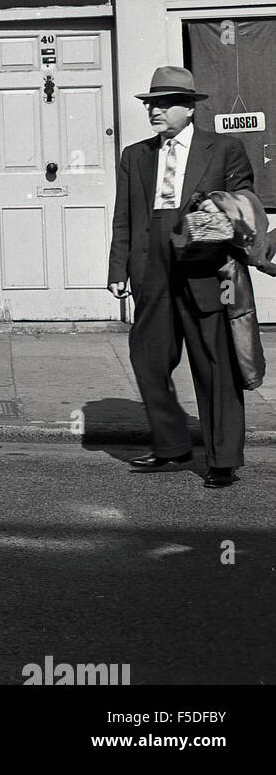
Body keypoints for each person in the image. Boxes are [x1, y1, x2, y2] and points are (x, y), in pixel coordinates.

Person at [107, 66, 251, 488]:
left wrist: (218, 214)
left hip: (207, 271)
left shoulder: (224, 149)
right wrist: (119, 268)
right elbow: (124, 216)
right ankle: (171, 447)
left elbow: (243, 204)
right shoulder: (135, 155)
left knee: (215, 364)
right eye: (151, 103)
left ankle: (222, 459)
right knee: (148, 359)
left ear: (189, 109)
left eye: (164, 103)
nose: (154, 110)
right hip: (152, 270)